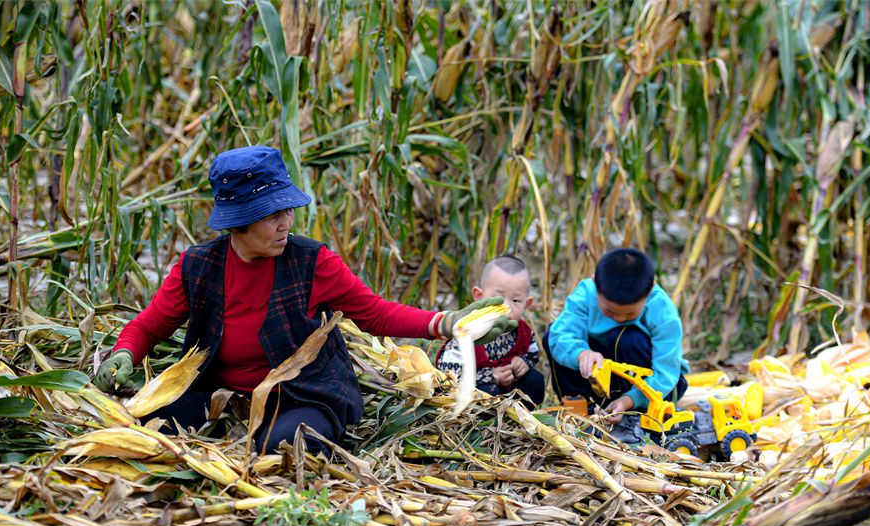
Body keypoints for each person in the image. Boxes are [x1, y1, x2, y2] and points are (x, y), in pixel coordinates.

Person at [94, 146, 515, 454]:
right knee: (145, 431)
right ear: (238, 223)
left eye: (288, 210)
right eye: (272, 214)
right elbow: (149, 326)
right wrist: (123, 354)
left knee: (288, 448)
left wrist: (447, 322)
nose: (286, 222)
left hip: (302, 392)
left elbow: (374, 313)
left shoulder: (311, 262)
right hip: (216, 390)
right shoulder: (199, 266)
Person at [541, 248, 689, 422]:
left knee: (626, 337)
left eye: (630, 314)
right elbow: (562, 336)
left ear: (650, 291)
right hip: (603, 378)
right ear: (595, 284)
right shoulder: (585, 294)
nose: (619, 318)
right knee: (553, 334)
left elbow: (666, 371)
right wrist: (582, 354)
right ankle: (579, 408)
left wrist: (629, 400)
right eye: (609, 311)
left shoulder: (663, 311)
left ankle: (634, 413)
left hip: (658, 387)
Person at [435, 256, 545, 407]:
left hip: (510, 392)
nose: (507, 307)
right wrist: (491, 375)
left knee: (535, 379)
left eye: (516, 301)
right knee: (488, 392)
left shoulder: (524, 333)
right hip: (476, 397)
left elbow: (532, 353)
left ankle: (521, 419)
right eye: (498, 298)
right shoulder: (467, 331)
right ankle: (487, 426)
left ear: (527, 304)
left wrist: (524, 363)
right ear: (480, 297)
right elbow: (448, 373)